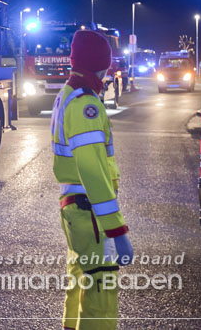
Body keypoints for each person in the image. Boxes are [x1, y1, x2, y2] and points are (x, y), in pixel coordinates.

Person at [51, 29, 134, 330]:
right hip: (91, 215)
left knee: (80, 282)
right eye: (106, 65)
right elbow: (94, 174)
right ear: (100, 65)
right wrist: (118, 231)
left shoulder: (67, 94)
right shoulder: (86, 105)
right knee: (100, 297)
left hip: (77, 210)